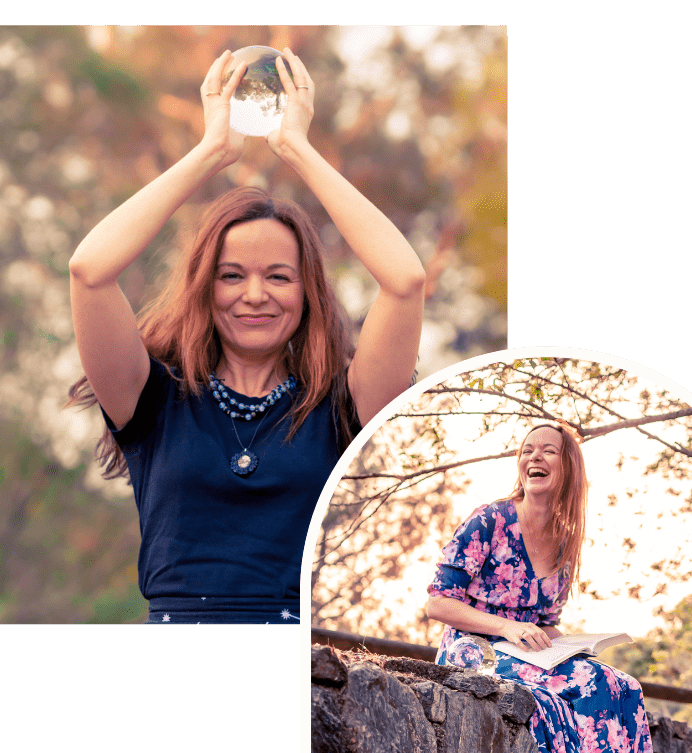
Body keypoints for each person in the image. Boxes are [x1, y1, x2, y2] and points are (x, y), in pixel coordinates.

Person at [66, 47, 425, 624]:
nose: (254, 294)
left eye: (278, 277)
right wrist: (211, 151)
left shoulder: (345, 404)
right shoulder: (151, 398)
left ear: (307, 292)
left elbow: (406, 281)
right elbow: (89, 270)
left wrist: (297, 148)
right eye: (231, 276)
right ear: (204, 288)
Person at [425, 423, 670, 753]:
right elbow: (438, 603)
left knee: (623, 687)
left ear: (567, 466)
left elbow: (546, 623)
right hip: (475, 648)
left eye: (548, 451)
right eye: (527, 450)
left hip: (527, 653)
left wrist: (574, 646)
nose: (534, 457)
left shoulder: (564, 539)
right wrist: (507, 627)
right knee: (590, 689)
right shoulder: (490, 520)